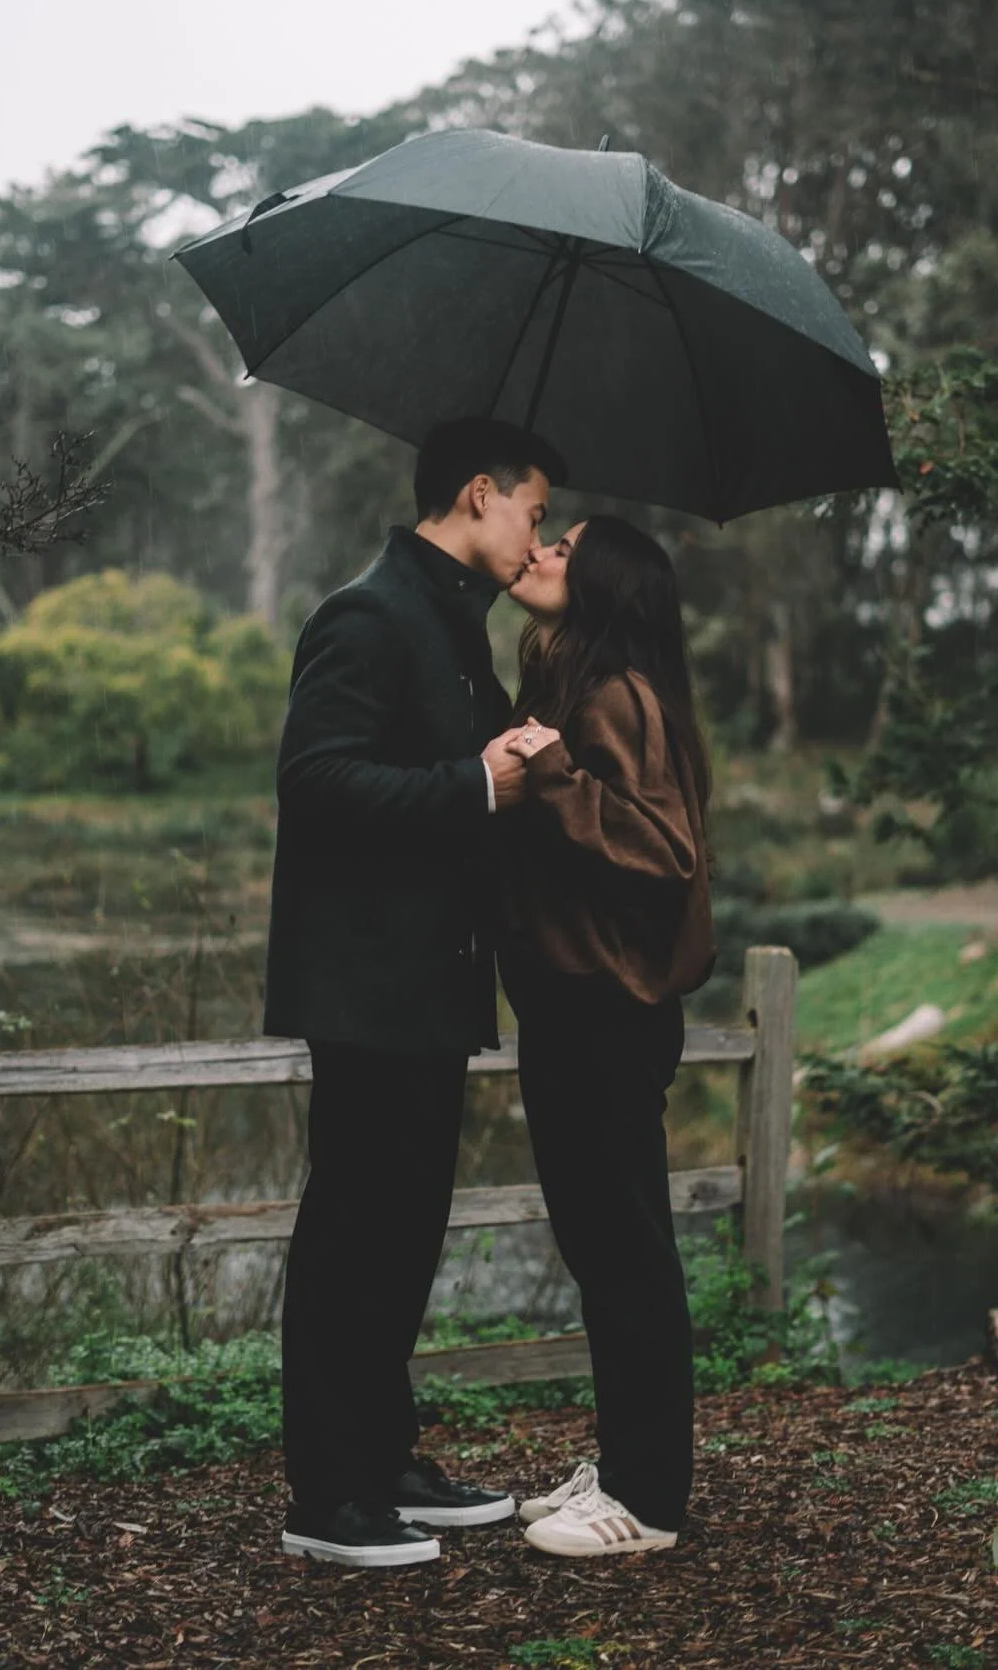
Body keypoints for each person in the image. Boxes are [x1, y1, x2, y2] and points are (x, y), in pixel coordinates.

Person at [267, 415, 567, 1569]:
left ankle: (384, 1457)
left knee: (406, 1231)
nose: (537, 533)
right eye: (534, 510)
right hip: (363, 985)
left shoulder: (457, 629)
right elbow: (317, 779)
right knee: (352, 1232)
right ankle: (326, 1496)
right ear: (480, 493)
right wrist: (472, 780)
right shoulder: (368, 612)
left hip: (434, 986)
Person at [498, 514, 716, 1558]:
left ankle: (647, 1496)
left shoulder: (620, 695)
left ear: (608, 585)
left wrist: (550, 774)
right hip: (569, 1006)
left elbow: (665, 846)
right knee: (601, 1249)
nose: (539, 549)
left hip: (611, 1011)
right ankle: (622, 1458)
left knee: (629, 1253)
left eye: (564, 543)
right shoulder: (568, 682)